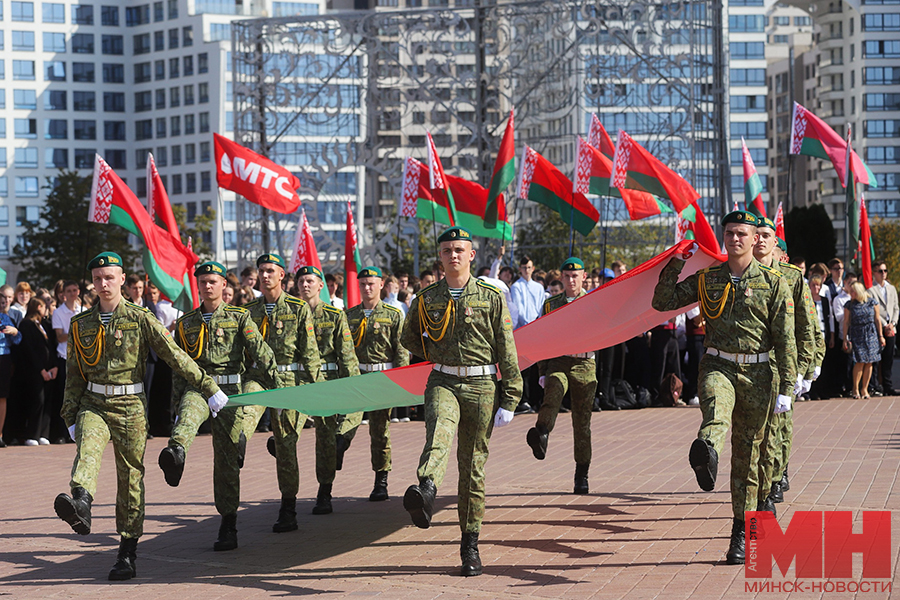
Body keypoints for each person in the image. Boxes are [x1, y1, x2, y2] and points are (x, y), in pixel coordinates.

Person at [55, 251, 225, 581]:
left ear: (122, 279)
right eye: (98, 278)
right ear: (92, 282)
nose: (103, 284)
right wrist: (70, 415)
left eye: (110, 277)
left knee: (130, 479)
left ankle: (127, 551)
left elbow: (175, 356)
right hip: (94, 403)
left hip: (130, 407)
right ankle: (81, 503)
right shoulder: (81, 324)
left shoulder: (140, 318)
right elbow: (74, 373)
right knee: (87, 450)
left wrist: (208, 387)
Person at [651, 211, 796, 565]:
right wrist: (674, 264)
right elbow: (662, 302)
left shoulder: (774, 283)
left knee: (747, 460)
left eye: (742, 233)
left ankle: (741, 533)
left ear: (753, 238)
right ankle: (707, 452)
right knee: (715, 412)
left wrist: (787, 388)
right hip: (718, 364)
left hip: (760, 375)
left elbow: (785, 339)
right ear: (724, 237)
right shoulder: (707, 279)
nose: (735, 239)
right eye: (729, 233)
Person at [401, 226, 522, 577]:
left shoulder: (492, 296)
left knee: (472, 468)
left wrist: (511, 396)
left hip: (483, 385)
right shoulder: (425, 298)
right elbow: (409, 338)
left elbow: (506, 348)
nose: (453, 255)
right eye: (446, 250)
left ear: (472, 255)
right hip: (443, 379)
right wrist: (438, 352)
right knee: (439, 430)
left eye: (459, 250)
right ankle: (425, 489)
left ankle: (469, 545)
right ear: (439, 257)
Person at [158, 261, 280, 551]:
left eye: (213, 281)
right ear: (197, 285)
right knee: (188, 416)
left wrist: (279, 387)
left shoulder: (239, 318)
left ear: (225, 285)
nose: (208, 286)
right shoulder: (186, 323)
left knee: (226, 462)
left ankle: (228, 523)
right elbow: (179, 366)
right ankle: (175, 454)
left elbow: (260, 352)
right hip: (199, 387)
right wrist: (176, 404)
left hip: (230, 393)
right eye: (203, 282)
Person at [245, 254, 322, 534]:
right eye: (261, 271)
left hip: (289, 380)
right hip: (257, 377)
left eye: (270, 271)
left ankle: (288, 506)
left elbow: (310, 352)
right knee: (244, 412)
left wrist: (318, 390)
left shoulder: (298, 308)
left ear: (281, 276)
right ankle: (239, 443)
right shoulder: (247, 311)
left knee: (286, 445)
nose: (265, 276)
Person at [752, 224, 821, 511]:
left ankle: (775, 478)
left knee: (778, 428)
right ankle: (761, 485)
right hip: (752, 364)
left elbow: (807, 326)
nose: (759, 242)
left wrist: (808, 365)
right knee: (755, 432)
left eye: (766, 237)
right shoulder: (739, 273)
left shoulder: (792, 278)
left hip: (783, 364)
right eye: (756, 236)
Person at [525, 257, 598, 493]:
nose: (571, 280)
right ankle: (542, 432)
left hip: (585, 363)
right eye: (566, 276)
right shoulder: (551, 304)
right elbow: (543, 337)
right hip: (559, 359)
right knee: (554, 387)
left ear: (584, 277)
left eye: (575, 276)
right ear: (561, 278)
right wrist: (542, 371)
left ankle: (582, 473)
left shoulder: (594, 302)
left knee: (582, 421)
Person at [293, 265, 359, 515]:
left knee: (325, 438)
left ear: (321, 285)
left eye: (310, 280)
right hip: (299, 379)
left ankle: (324, 491)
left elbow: (346, 352)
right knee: (290, 424)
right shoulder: (290, 314)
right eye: (301, 281)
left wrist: (351, 384)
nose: (305, 285)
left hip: (327, 379)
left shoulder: (333, 315)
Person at [340, 266, 409, 502]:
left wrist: (400, 382)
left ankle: (381, 481)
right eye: (363, 284)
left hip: (382, 379)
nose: (367, 288)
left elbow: (401, 352)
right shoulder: (349, 316)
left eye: (371, 283)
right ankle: (340, 447)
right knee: (348, 418)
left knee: (379, 431)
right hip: (358, 378)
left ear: (381, 285)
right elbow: (344, 351)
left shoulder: (392, 315)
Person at [19, 298, 57, 446]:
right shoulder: (26, 324)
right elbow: (29, 349)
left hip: (48, 370)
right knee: (37, 400)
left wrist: (54, 366)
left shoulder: (43, 324)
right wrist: (41, 369)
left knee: (47, 400)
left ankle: (43, 433)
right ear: (39, 307)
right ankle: (32, 434)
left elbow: (51, 347)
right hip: (34, 371)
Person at [51, 280, 83, 444]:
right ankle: (63, 432)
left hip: (81, 358)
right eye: (69, 291)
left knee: (80, 397)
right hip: (65, 358)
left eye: (75, 290)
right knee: (65, 398)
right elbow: (60, 337)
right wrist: (76, 331)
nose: (72, 293)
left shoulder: (83, 310)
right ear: (64, 294)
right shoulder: (58, 312)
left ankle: (78, 431)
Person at [843, 282, 885, 399]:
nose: (851, 293)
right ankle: (855, 388)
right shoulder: (849, 305)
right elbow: (846, 322)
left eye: (853, 291)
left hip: (871, 333)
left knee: (869, 362)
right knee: (859, 361)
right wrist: (845, 338)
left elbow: (877, 319)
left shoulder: (872, 302)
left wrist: (881, 336)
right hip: (857, 334)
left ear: (859, 291)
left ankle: (865, 389)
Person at [868, 261, 898, 396]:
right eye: (880, 271)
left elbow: (896, 308)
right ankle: (875, 385)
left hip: (891, 328)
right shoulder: (870, 290)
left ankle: (888, 386)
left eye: (885, 271)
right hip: (878, 328)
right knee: (876, 358)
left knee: (888, 358)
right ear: (874, 273)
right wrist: (884, 324)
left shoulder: (891, 288)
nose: (883, 274)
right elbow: (873, 311)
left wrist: (892, 323)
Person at [0, 291, 21, 447]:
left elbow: (17, 340)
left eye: (4, 302)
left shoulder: (6, 318)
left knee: (2, 396)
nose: (3, 304)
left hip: (3, 358)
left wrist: (15, 332)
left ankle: (0, 434)